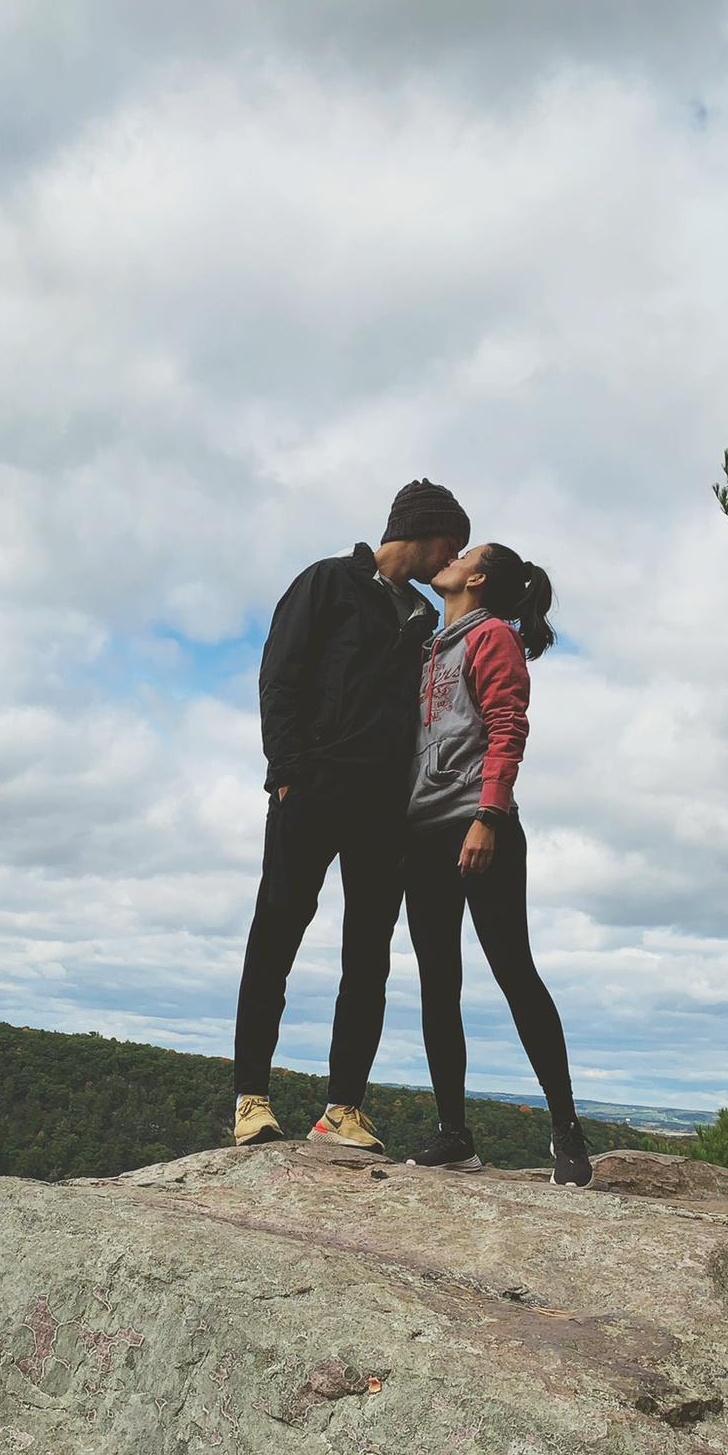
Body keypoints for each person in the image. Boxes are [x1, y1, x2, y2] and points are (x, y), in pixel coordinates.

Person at [232, 479, 471, 1152]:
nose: (450, 561)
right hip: (310, 794)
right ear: (421, 531)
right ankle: (252, 1101)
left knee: (368, 958)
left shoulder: (425, 618)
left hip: (384, 812)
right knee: (276, 937)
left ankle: (342, 1111)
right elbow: (279, 677)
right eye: (448, 546)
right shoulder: (327, 583)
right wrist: (286, 776)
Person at [402, 541, 593, 1187]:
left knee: (513, 972)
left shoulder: (492, 639)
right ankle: (454, 1135)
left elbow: (509, 725)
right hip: (424, 832)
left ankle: (566, 1129)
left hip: (481, 827)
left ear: (476, 578)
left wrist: (487, 815)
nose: (449, 559)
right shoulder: (430, 643)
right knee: (437, 981)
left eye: (463, 555)